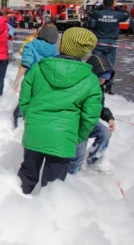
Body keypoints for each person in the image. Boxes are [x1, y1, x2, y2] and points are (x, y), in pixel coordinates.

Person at [17, 28, 103, 195]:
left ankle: (12, 213)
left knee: (26, 174)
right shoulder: (91, 80)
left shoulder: (40, 68)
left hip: (35, 130)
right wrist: (78, 136)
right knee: (53, 187)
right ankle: (46, 218)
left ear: (64, 45)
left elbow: (25, 97)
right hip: (64, 137)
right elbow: (90, 116)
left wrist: (30, 118)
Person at [69, 54, 116, 175]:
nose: (103, 82)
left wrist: (109, 117)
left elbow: (98, 107)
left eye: (105, 79)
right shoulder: (81, 84)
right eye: (100, 79)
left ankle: (94, 159)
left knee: (105, 133)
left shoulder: (99, 87)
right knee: (78, 154)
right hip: (78, 125)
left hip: (89, 122)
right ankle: (71, 176)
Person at [12, 23, 59, 128]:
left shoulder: (31, 45)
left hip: (32, 81)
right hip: (48, 83)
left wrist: (16, 81)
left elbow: (25, 64)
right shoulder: (56, 49)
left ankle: (17, 126)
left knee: (25, 102)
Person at [88, 0, 129, 94]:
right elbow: (126, 14)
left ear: (103, 3)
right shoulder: (117, 14)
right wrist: (117, 7)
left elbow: (91, 13)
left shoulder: (98, 13)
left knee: (96, 62)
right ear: (112, 4)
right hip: (111, 42)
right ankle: (109, 87)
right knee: (110, 64)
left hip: (99, 41)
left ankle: (95, 83)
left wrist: (100, 7)